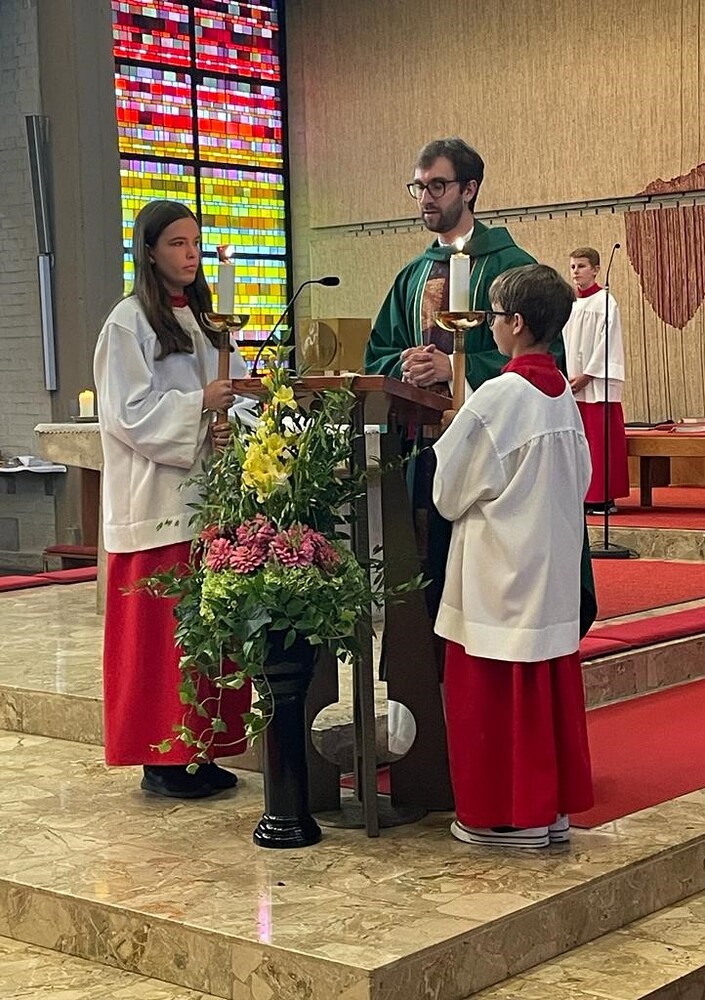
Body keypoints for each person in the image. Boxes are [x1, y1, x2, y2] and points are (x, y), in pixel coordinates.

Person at [94, 199, 256, 799]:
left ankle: (203, 748)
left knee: (208, 634)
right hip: (157, 502)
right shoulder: (128, 322)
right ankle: (162, 757)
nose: (190, 255)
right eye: (177, 243)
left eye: (195, 243)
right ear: (149, 250)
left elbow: (238, 391)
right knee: (163, 641)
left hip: (209, 501)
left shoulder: (210, 322)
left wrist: (236, 417)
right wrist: (199, 408)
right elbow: (128, 414)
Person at [433, 264, 594, 849]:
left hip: (499, 575)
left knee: (492, 697)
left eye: (496, 317)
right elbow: (582, 479)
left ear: (518, 323)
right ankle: (547, 812)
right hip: (547, 570)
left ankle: (505, 818)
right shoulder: (562, 396)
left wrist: (454, 430)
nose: (492, 328)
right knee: (543, 693)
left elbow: (449, 493)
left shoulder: (500, 396)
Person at [562, 247, 629, 514]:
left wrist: (588, 375)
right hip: (571, 383)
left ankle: (601, 497)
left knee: (599, 442)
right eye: (572, 266)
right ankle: (579, 495)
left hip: (596, 384)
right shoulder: (569, 304)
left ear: (596, 269)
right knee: (577, 442)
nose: (575, 271)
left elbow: (608, 343)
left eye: (581, 266)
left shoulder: (605, 302)